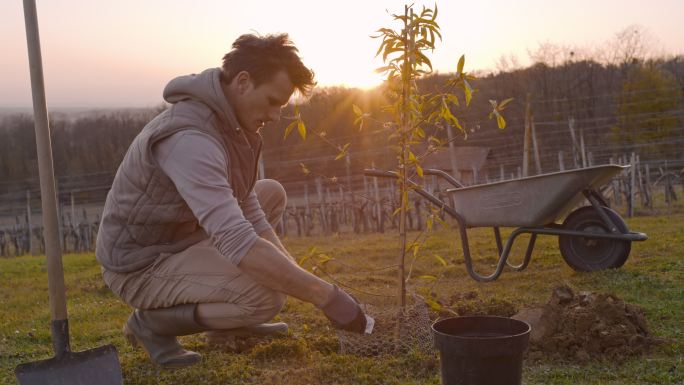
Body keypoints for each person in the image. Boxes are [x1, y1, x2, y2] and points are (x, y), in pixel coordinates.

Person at [96, 33, 368, 368]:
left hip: (182, 238)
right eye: (272, 101)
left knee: (269, 193)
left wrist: (292, 273)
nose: (276, 115)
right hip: (142, 263)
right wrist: (326, 296)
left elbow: (248, 207)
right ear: (242, 82)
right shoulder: (191, 139)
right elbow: (237, 239)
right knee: (265, 297)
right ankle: (150, 325)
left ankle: (228, 324)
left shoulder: (233, 125)